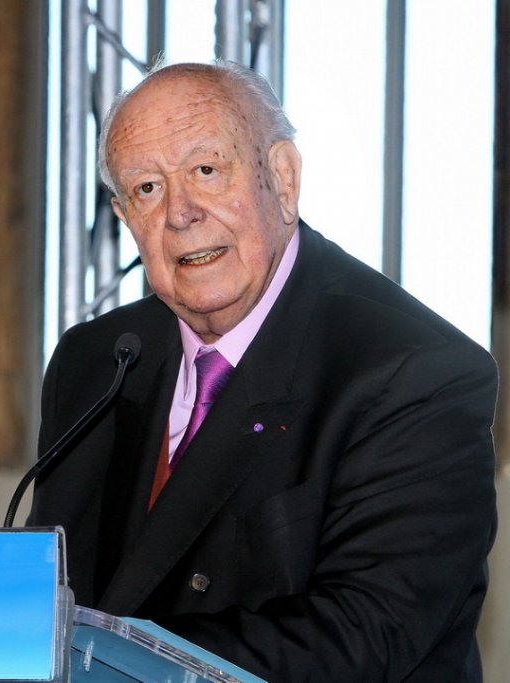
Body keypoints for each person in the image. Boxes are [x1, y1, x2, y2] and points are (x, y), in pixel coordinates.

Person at [27, 60, 498, 682]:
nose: (180, 213)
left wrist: (107, 662)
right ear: (124, 218)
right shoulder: (96, 359)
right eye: (147, 188)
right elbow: (48, 597)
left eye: (205, 170)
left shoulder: (413, 370)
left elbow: (367, 633)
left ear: (283, 177)